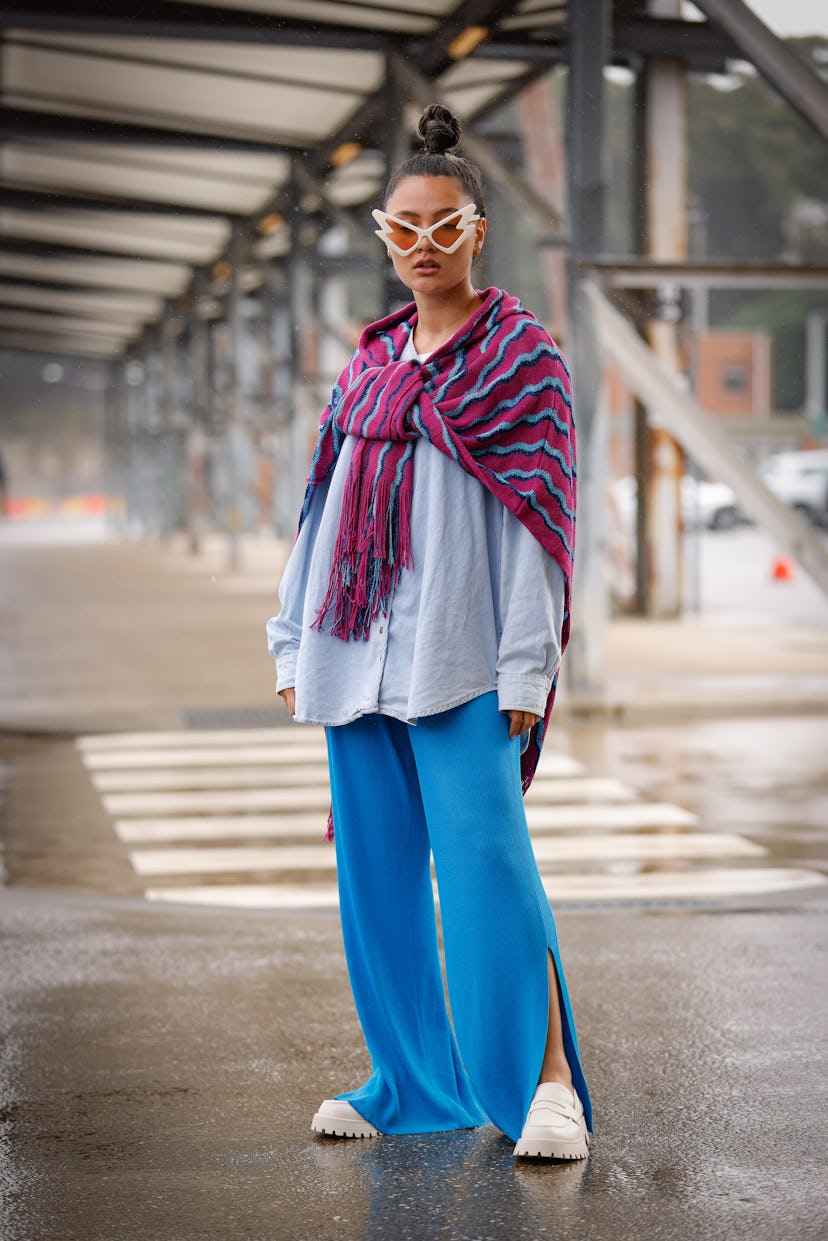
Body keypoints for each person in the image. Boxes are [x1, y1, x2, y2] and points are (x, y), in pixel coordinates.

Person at [266, 104, 592, 1162]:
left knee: (493, 866)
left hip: (462, 657)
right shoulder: (367, 365)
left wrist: (527, 667)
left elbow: (542, 520)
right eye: (400, 226)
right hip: (355, 654)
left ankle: (544, 1083)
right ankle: (409, 1079)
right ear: (384, 232)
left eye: (441, 225)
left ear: (477, 229)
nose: (420, 245)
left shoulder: (522, 361)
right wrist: (289, 640)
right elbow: (323, 508)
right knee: (379, 880)